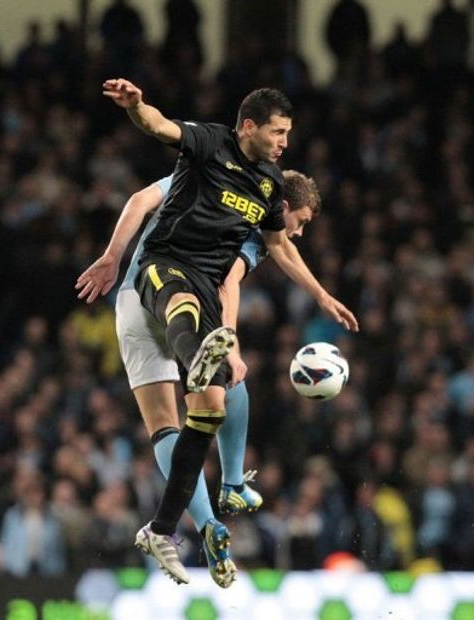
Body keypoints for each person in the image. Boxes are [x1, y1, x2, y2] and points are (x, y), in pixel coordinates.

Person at [97, 77, 358, 585]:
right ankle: (230, 476)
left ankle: (193, 524)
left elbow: (281, 245)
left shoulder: (265, 188)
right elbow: (155, 138)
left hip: (184, 284)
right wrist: (138, 106)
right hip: (151, 280)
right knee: (192, 320)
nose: (284, 141)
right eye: (278, 132)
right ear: (249, 126)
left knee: (201, 412)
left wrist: (323, 295)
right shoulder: (207, 150)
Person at [76, 169, 322, 586]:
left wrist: (113, 256)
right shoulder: (243, 207)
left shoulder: (206, 171)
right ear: (282, 208)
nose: (296, 233)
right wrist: (234, 342)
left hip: (133, 298)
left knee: (165, 426)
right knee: (224, 379)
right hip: (172, 291)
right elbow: (229, 283)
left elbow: (139, 200)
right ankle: (230, 483)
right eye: (300, 222)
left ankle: (208, 523)